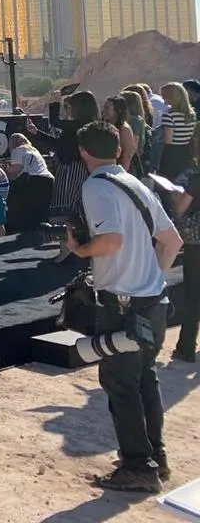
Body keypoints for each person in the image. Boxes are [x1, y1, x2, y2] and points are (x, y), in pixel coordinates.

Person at [64, 121, 183, 493]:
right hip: (152, 302)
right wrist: (152, 279)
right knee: (145, 378)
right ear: (118, 150)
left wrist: (79, 250)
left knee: (120, 384)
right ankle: (154, 457)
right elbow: (172, 241)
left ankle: (138, 466)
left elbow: (111, 241)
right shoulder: (135, 184)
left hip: (122, 305)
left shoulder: (96, 186)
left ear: (84, 152)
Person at [26, 91, 100, 262]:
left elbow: (55, 123)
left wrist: (55, 102)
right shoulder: (84, 125)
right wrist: (37, 133)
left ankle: (67, 250)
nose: (68, 110)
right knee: (72, 211)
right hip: (73, 169)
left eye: (70, 107)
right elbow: (59, 143)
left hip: (72, 170)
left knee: (65, 210)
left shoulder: (81, 125)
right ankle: (70, 249)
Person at [163, 167, 200, 364]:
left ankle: (186, 347)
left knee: (193, 295)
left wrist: (174, 196)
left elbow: (179, 210)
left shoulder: (196, 179)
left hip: (197, 244)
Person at [158, 82, 197, 180]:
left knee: (166, 184)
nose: (162, 99)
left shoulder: (168, 115)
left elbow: (168, 140)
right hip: (186, 151)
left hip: (171, 153)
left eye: (164, 96)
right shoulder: (191, 114)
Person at [102, 95, 138, 173]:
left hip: (120, 171)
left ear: (117, 110)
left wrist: (121, 174)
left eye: (107, 108)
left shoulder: (124, 129)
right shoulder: (104, 125)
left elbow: (127, 155)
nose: (103, 110)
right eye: (104, 107)